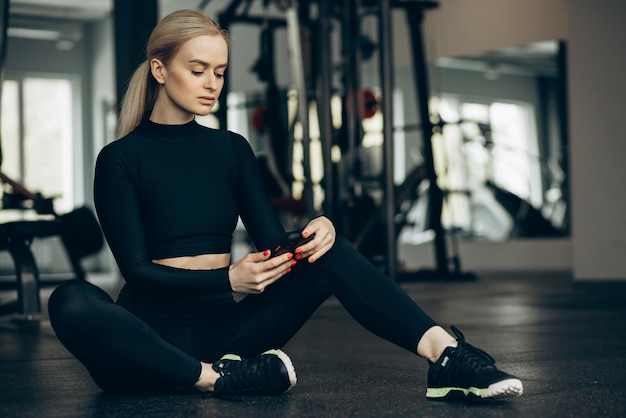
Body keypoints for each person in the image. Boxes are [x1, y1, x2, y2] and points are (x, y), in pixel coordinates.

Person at [48, 9, 523, 401]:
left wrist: (315, 234)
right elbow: (135, 271)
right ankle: (215, 379)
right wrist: (228, 278)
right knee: (69, 298)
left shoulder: (231, 150)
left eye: (219, 71)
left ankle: (445, 356)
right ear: (159, 69)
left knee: (325, 252)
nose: (211, 83)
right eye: (197, 70)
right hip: (146, 344)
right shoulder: (121, 159)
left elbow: (274, 246)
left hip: (225, 337)